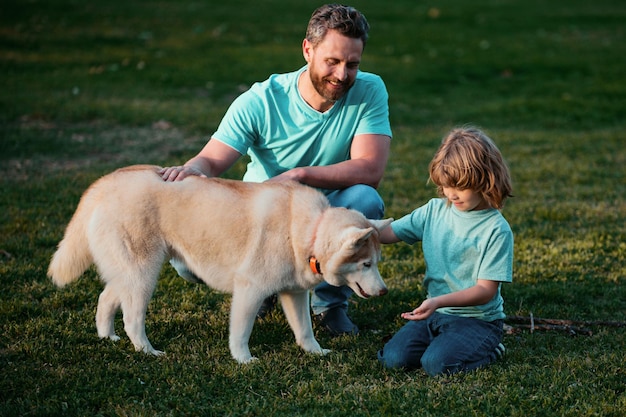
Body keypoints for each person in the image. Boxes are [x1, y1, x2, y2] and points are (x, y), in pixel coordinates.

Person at [159, 4, 392, 336]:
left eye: (352, 64)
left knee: (364, 200)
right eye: (332, 61)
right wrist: (189, 170)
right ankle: (266, 285)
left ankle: (329, 305)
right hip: (262, 219)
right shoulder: (261, 101)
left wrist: (300, 176)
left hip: (328, 210)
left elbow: (370, 170)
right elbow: (210, 161)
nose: (342, 75)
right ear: (308, 49)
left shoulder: (369, 90)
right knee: (187, 266)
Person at [377, 127, 513, 376]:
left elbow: (485, 291)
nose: (451, 194)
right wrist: (351, 227)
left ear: (485, 179)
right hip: (435, 314)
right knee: (393, 359)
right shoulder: (434, 211)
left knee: (437, 365)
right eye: (446, 185)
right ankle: (442, 343)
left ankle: (492, 350)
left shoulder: (496, 229)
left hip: (478, 321)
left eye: (460, 186)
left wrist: (438, 301)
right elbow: (388, 233)